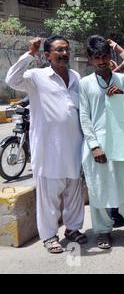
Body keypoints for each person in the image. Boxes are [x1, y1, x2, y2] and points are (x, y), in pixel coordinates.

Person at [5, 36, 86, 254]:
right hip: (48, 150)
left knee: (74, 194)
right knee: (49, 198)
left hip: (74, 148)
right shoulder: (36, 77)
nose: (64, 54)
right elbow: (11, 80)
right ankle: (49, 236)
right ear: (47, 55)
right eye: (59, 50)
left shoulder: (76, 76)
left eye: (67, 49)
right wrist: (29, 54)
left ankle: (73, 229)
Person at [79, 35, 124, 249]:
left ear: (110, 57)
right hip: (97, 146)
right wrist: (94, 146)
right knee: (98, 189)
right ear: (90, 60)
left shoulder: (121, 81)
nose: (101, 61)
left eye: (104, 56)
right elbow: (84, 116)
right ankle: (102, 231)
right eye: (96, 57)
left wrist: (122, 96)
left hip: (120, 144)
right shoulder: (85, 84)